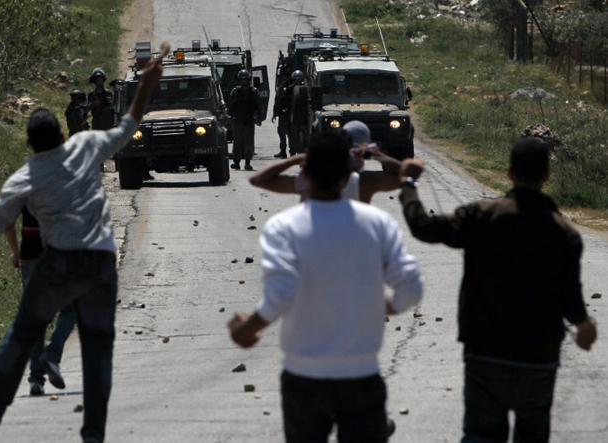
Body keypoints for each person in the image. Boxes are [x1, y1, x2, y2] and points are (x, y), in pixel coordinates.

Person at [0, 50, 165, 443]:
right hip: (101, 263)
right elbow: (130, 124)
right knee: (97, 350)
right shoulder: (87, 146)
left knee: (25, 329)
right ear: (62, 134)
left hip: (57, 264)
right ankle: (93, 432)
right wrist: (146, 83)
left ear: (27, 142)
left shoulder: (24, 176)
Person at [398, 137, 598, 442]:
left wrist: (409, 183)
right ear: (546, 175)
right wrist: (584, 325)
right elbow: (570, 294)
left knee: (481, 436)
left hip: (485, 353)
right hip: (538, 357)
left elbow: (423, 227)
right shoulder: (564, 233)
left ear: (509, 173)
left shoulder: (481, 216)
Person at [230, 129, 423, 442]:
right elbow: (412, 289)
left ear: (306, 174)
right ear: (348, 175)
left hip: (304, 376)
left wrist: (248, 328)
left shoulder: (284, 227)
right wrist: (383, 305)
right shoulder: (377, 223)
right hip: (361, 374)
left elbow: (281, 294)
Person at [4, 207, 77, 396]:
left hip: (30, 256)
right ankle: (52, 355)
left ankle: (36, 381)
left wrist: (14, 251)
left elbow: (8, 222)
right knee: (70, 309)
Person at [249, 120, 403, 204]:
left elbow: (258, 179)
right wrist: (376, 155)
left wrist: (296, 159)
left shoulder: (309, 180)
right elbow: (406, 174)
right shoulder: (365, 182)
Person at [229, 69, 261, 171]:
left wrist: (258, 117)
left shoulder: (254, 92)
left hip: (249, 119)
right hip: (238, 119)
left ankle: (247, 162)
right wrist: (230, 117)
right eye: (242, 80)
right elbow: (231, 106)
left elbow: (258, 106)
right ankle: (236, 162)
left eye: (245, 79)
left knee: (249, 142)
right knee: (237, 142)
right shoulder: (235, 92)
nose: (244, 81)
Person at [271, 71, 303, 159]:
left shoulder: (301, 89)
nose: (298, 81)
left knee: (292, 135)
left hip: (297, 116)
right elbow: (280, 101)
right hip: (286, 115)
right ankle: (284, 151)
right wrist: (276, 113)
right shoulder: (288, 88)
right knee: (283, 133)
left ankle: (293, 152)